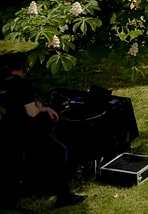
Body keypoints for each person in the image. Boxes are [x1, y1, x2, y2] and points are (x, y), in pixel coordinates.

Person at [0, 54, 88, 208]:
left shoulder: (2, 82)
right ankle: (64, 195)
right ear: (23, 67)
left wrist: (46, 109)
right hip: (25, 129)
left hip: (7, 128)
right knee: (60, 151)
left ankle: (9, 199)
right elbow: (31, 112)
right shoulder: (22, 85)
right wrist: (40, 107)